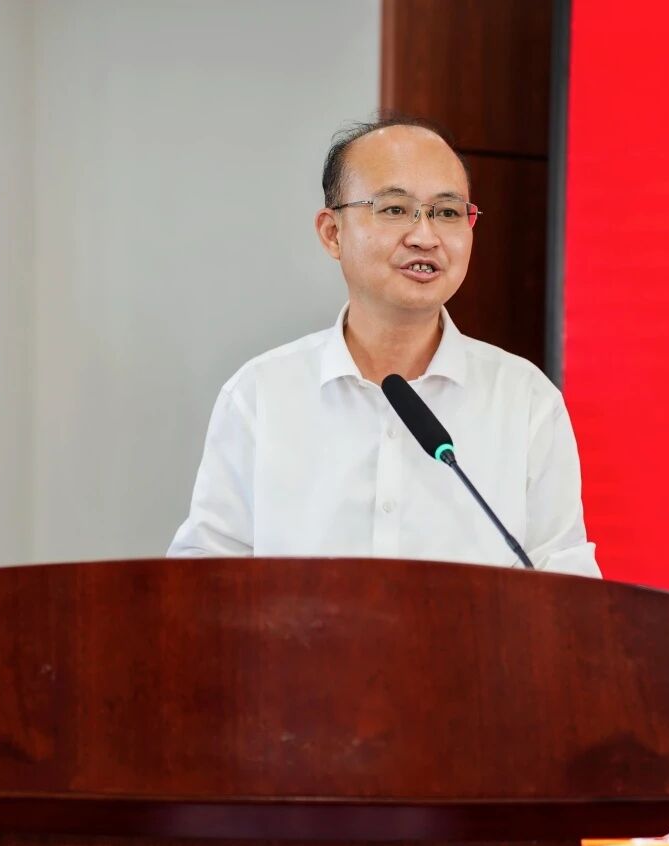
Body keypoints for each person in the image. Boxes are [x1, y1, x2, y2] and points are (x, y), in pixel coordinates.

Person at [167, 117, 600, 579]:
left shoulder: (526, 401)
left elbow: (568, 592)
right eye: (395, 209)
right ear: (332, 233)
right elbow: (201, 584)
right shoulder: (260, 395)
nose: (425, 236)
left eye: (447, 213)